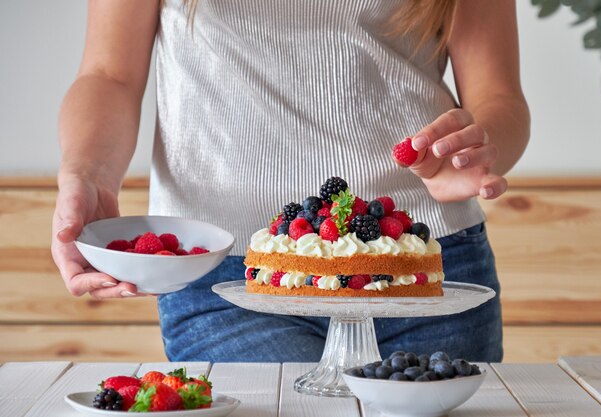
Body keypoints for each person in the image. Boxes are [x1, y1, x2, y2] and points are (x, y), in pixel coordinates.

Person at [52, 0, 530, 363]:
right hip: (229, 273)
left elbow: (498, 94)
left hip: (423, 262)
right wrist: (86, 174)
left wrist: (477, 149)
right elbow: (109, 74)